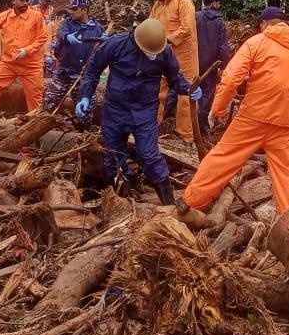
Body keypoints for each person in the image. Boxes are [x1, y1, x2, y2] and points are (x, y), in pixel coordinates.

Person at [178, 7, 289, 226]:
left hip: (252, 117)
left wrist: (217, 109)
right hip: (288, 122)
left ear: (265, 24)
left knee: (223, 158)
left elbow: (231, 78)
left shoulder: (256, 43)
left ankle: (190, 202)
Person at [74, 18, 199, 202]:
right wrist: (85, 96)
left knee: (150, 156)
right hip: (115, 110)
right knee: (113, 157)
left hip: (145, 111)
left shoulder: (164, 51)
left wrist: (189, 89)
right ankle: (120, 198)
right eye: (149, 52)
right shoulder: (115, 44)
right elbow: (92, 71)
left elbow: (175, 77)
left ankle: (169, 205)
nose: (152, 56)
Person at [148, 0, 199, 143]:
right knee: (158, 91)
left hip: (185, 58)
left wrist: (165, 40)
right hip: (162, 56)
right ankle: (152, 126)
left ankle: (187, 136)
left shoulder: (183, 2)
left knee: (186, 96)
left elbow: (187, 29)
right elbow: (151, 25)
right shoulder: (157, 5)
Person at [0, 0, 50, 112]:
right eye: (22, 0)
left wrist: (27, 50)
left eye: (27, 0)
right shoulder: (5, 16)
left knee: (35, 98)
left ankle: (35, 120)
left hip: (31, 65)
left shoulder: (36, 16)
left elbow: (42, 37)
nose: (25, 3)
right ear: (13, 1)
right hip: (10, 62)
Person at [43, 0, 105, 117]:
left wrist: (106, 41)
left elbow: (102, 51)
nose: (71, 11)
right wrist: (67, 36)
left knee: (85, 111)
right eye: (70, 8)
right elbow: (61, 32)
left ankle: (82, 127)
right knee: (48, 104)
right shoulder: (67, 23)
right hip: (63, 73)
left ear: (84, 10)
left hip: (84, 77)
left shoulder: (97, 29)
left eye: (74, 9)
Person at [195, 0, 231, 130]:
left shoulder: (195, 16)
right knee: (208, 91)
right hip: (210, 63)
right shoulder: (218, 20)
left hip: (194, 61)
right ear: (214, 3)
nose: (219, 5)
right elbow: (223, 45)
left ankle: (188, 119)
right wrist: (224, 63)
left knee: (192, 88)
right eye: (218, 2)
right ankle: (202, 122)